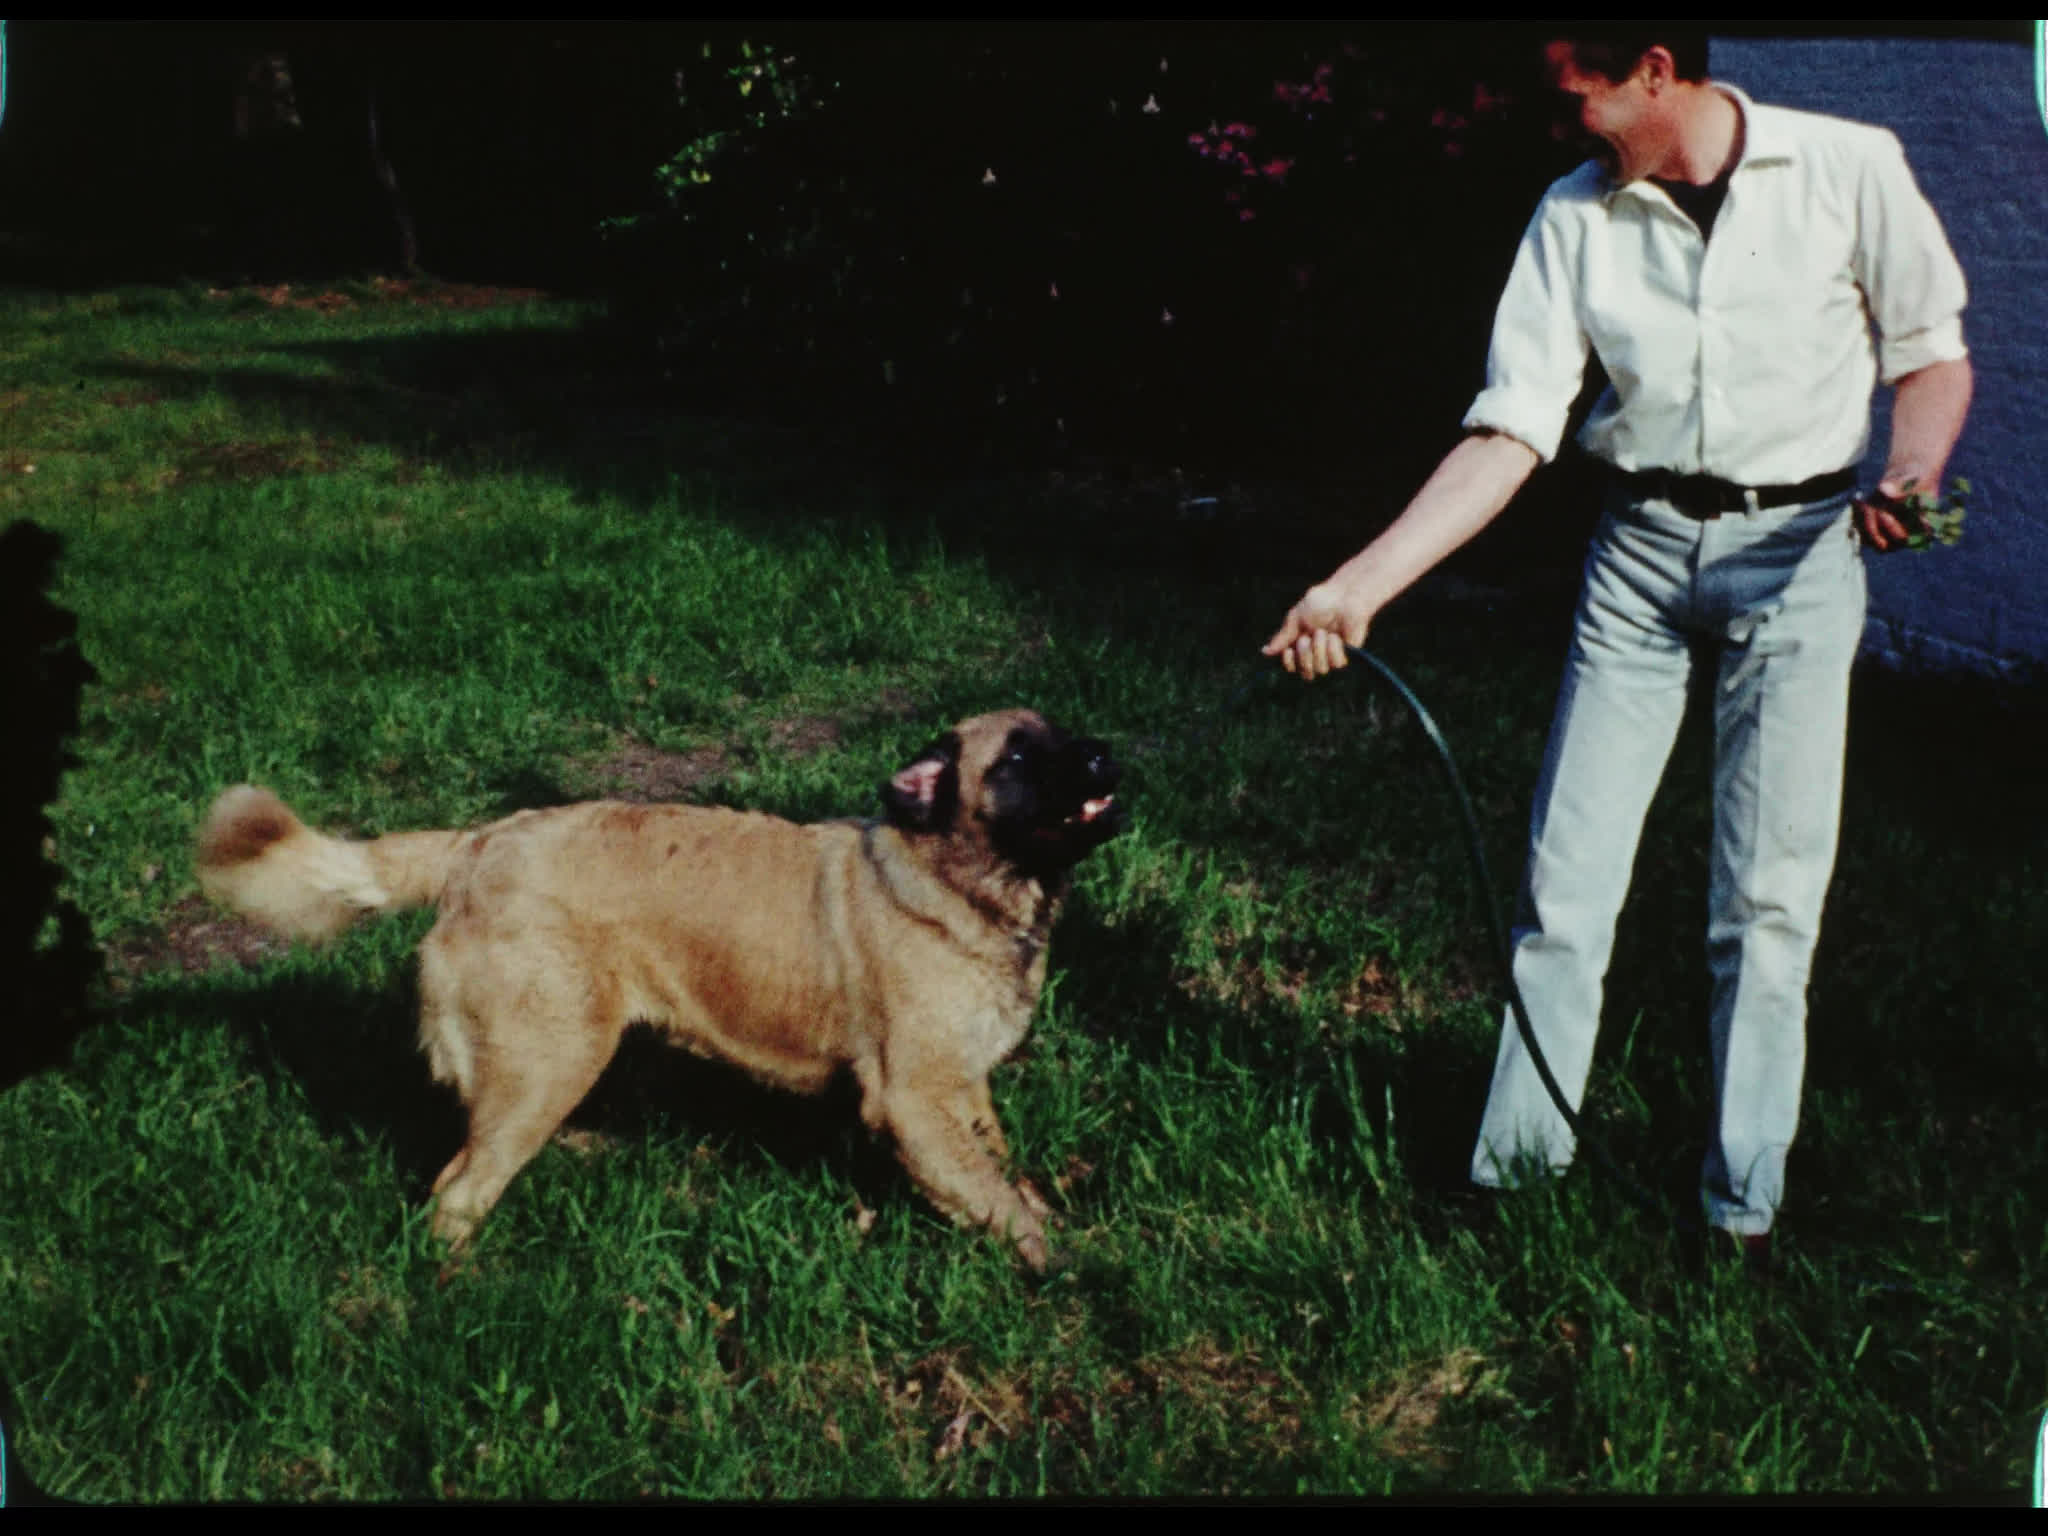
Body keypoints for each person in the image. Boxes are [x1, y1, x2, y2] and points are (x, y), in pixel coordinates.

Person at [1262, 30, 1972, 1264]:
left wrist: (1909, 474)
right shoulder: (1571, 215)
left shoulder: (1849, 167)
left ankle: (1736, 1211)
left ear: (1652, 69)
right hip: (1635, 559)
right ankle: (1515, 1184)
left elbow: (1930, 358)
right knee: (1565, 881)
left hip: (1797, 557)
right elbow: (1511, 427)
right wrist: (1356, 587)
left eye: (1570, 99)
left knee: (1765, 902)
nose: (1558, 127)